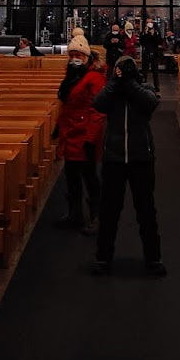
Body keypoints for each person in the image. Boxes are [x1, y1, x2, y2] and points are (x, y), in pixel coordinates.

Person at [92, 55, 165, 277]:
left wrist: (131, 82)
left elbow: (150, 103)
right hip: (114, 157)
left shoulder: (144, 88)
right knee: (109, 211)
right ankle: (103, 258)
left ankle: (153, 259)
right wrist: (115, 81)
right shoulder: (112, 92)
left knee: (146, 210)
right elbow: (98, 104)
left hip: (141, 157)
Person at [54, 33, 105, 232]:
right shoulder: (71, 75)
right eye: (72, 54)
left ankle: (96, 216)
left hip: (85, 134)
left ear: (86, 56)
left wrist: (91, 138)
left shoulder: (94, 77)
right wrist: (59, 127)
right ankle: (74, 214)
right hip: (70, 133)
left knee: (90, 176)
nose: (75, 58)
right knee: (71, 177)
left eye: (79, 55)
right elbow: (67, 104)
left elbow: (97, 110)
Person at [140, 19, 163, 93]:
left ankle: (157, 88)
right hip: (146, 53)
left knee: (155, 72)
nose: (149, 24)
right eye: (147, 22)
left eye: (150, 22)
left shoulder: (156, 32)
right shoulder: (143, 32)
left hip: (154, 54)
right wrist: (145, 33)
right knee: (144, 72)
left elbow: (159, 42)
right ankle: (143, 88)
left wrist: (153, 35)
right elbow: (141, 42)